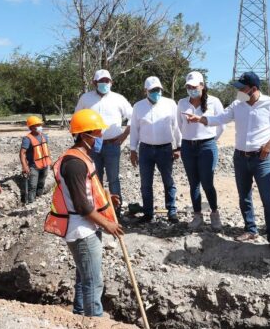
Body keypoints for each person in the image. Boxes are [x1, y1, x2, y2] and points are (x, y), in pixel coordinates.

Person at [185, 71, 270, 255]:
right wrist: (200, 119)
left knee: (268, 198)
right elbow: (220, 119)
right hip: (240, 157)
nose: (239, 91)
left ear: (254, 89)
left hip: (262, 158)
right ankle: (250, 229)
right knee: (244, 196)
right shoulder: (237, 105)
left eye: (242, 88)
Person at [44, 109, 124, 316]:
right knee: (93, 282)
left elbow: (88, 193)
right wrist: (108, 224)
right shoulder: (75, 164)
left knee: (83, 276)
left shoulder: (81, 157)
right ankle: (94, 320)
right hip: (81, 230)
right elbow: (81, 205)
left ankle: (80, 313)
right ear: (85, 134)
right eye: (97, 133)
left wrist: (106, 200)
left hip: (86, 226)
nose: (100, 137)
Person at [76, 69, 134, 207]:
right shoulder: (85, 98)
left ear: (111, 82)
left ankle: (116, 210)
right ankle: (99, 209)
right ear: (94, 82)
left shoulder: (119, 99)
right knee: (95, 177)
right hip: (92, 145)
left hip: (112, 145)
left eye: (107, 81)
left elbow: (134, 118)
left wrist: (124, 135)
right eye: (101, 81)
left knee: (114, 179)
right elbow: (77, 118)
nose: (104, 83)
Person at [177, 71, 225, 230]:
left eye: (194, 86)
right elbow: (179, 125)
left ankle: (214, 213)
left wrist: (210, 139)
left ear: (202, 86)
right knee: (193, 183)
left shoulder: (214, 102)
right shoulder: (182, 103)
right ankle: (197, 215)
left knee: (207, 182)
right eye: (188, 87)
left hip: (207, 146)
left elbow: (221, 124)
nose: (191, 89)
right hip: (188, 146)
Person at [130, 76, 182, 224]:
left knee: (168, 181)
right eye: (153, 90)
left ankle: (171, 211)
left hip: (165, 149)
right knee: (146, 183)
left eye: (158, 89)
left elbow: (176, 126)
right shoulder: (138, 107)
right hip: (145, 150)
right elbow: (134, 129)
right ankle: (148, 213)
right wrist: (133, 150)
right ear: (145, 90)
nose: (156, 92)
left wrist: (179, 146)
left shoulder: (170, 104)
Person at [20, 115, 51, 204]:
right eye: (37, 125)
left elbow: (46, 149)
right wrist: (25, 166)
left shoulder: (44, 136)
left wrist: (50, 161)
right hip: (34, 166)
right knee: (32, 186)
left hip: (45, 164)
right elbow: (22, 153)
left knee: (41, 183)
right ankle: (31, 202)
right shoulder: (27, 139)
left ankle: (39, 198)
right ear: (31, 127)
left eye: (40, 124)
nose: (39, 127)